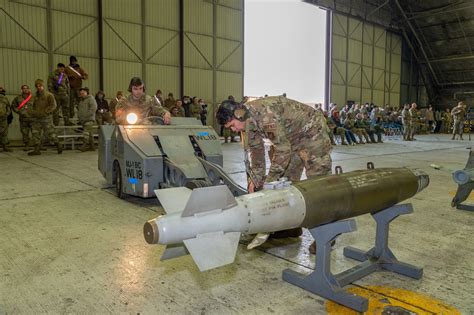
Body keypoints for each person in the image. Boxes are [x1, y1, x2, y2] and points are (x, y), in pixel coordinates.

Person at [217, 96, 332, 252]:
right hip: (291, 138)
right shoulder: (248, 124)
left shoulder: (265, 115)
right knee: (287, 185)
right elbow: (256, 153)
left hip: (311, 131)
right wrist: (256, 180)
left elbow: (283, 151)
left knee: (319, 185)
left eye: (232, 125)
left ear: (239, 115)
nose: (233, 130)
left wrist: (268, 183)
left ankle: (326, 235)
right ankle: (291, 227)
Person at [28, 79, 63, 155]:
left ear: (43, 86)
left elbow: (53, 105)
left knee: (50, 133)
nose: (39, 87)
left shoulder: (49, 95)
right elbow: (30, 106)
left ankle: (58, 145)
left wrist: (45, 112)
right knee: (35, 133)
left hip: (46, 118)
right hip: (36, 118)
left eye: (40, 85)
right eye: (37, 86)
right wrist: (32, 113)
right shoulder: (34, 96)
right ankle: (37, 149)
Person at [11, 85, 34, 151]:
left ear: (29, 89)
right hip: (23, 119)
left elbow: (38, 106)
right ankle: (27, 145)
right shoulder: (18, 98)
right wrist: (19, 111)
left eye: (27, 88)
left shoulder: (33, 97)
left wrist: (35, 113)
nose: (25, 89)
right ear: (21, 90)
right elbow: (13, 106)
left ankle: (37, 146)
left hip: (33, 119)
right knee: (25, 133)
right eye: (24, 88)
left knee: (36, 133)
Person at [0, 87, 12, 152]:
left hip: (3, 118)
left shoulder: (5, 98)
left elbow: (8, 108)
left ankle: (5, 146)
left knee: (4, 132)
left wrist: (7, 114)